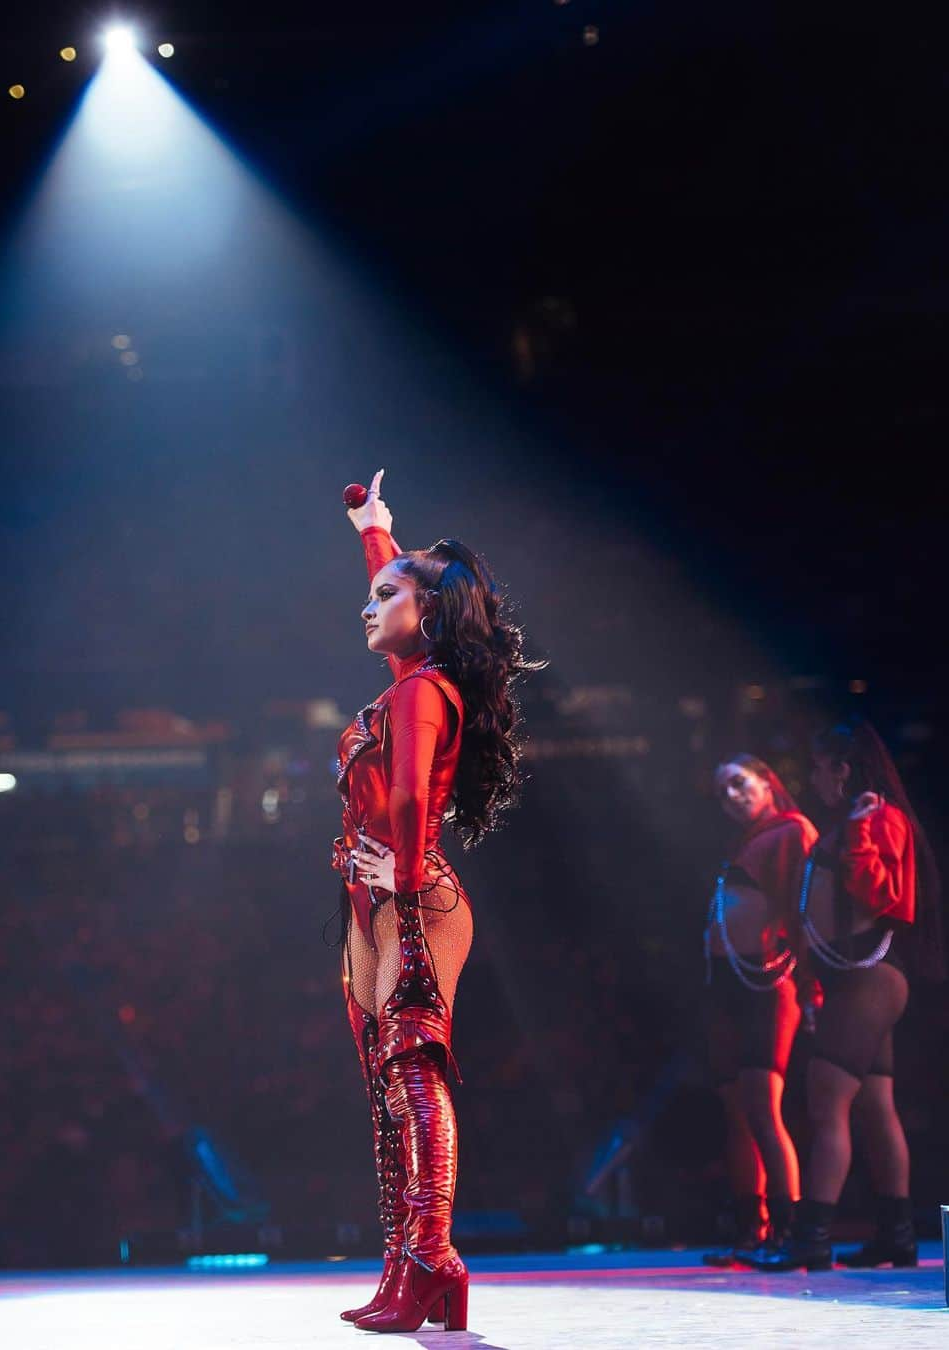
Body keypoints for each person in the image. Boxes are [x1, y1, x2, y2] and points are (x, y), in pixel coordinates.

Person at [331, 469, 540, 1333]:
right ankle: (400, 1270)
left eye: (386, 595)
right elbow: (404, 595)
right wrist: (376, 534)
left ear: (428, 613)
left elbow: (415, 799)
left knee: (413, 1074)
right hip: (374, 906)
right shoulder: (410, 677)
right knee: (387, 1089)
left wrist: (405, 883)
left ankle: (435, 1262)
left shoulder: (420, 693)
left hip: (413, 899)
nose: (369, 605)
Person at [746, 719, 944, 1271]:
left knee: (825, 1101)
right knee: (876, 1107)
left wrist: (859, 834)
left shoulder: (879, 819)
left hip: (871, 973)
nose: (812, 778)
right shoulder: (850, 821)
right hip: (851, 978)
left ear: (843, 768)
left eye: (818, 767)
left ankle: (810, 1238)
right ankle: (897, 1236)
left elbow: (886, 898)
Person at [702, 755, 818, 1266]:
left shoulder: (792, 831)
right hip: (726, 984)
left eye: (738, 783)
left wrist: (813, 989)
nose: (730, 795)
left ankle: (790, 1232)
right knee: (735, 1111)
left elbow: (806, 910)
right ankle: (753, 1231)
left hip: (766, 982)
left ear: (769, 781)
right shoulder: (747, 840)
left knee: (761, 1106)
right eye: (721, 791)